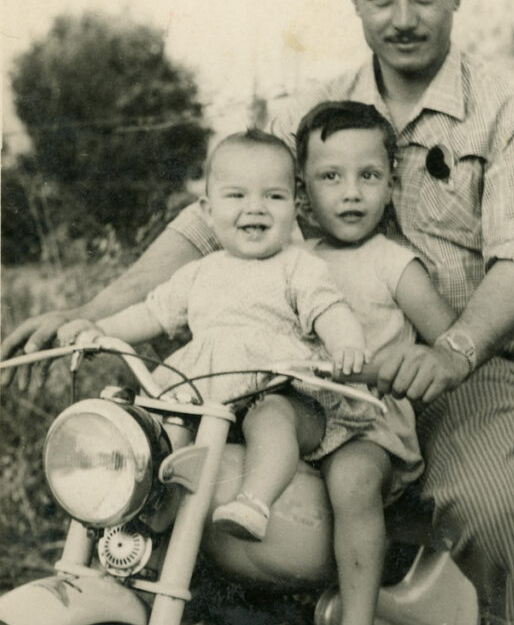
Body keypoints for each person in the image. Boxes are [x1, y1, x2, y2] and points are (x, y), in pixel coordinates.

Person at [2, 0, 514, 625]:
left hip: (465, 354)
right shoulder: (315, 106)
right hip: (302, 364)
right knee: (184, 473)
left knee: (482, 497)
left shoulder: (513, 113)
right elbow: (208, 223)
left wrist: (450, 349)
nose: (404, 15)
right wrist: (92, 311)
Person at [58, 129, 374, 543]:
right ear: (207, 211)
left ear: (295, 207)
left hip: (278, 388)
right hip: (212, 394)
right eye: (236, 196)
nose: (255, 209)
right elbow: (151, 313)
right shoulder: (200, 273)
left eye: (273, 197)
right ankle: (150, 503)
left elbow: (331, 310)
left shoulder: (297, 267)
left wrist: (346, 344)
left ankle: (254, 502)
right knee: (156, 418)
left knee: (271, 418)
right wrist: (100, 330)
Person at [297, 99, 456, 625]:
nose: (351, 192)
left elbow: (447, 341)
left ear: (392, 185)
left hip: (370, 423)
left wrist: (414, 362)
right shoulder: (294, 260)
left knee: (352, 477)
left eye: (368, 176)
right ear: (303, 191)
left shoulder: (394, 263)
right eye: (330, 177)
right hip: (305, 415)